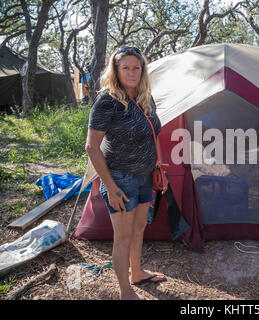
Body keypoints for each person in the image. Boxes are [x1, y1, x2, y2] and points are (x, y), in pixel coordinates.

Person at [85, 46, 165, 300]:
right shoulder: (107, 101)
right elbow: (92, 147)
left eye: (136, 67)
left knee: (139, 228)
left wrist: (158, 164)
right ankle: (125, 292)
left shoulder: (145, 96)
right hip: (120, 178)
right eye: (125, 68)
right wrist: (111, 187)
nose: (131, 73)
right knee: (122, 237)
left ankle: (138, 272)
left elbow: (154, 133)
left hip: (144, 177)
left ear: (143, 71)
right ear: (116, 71)